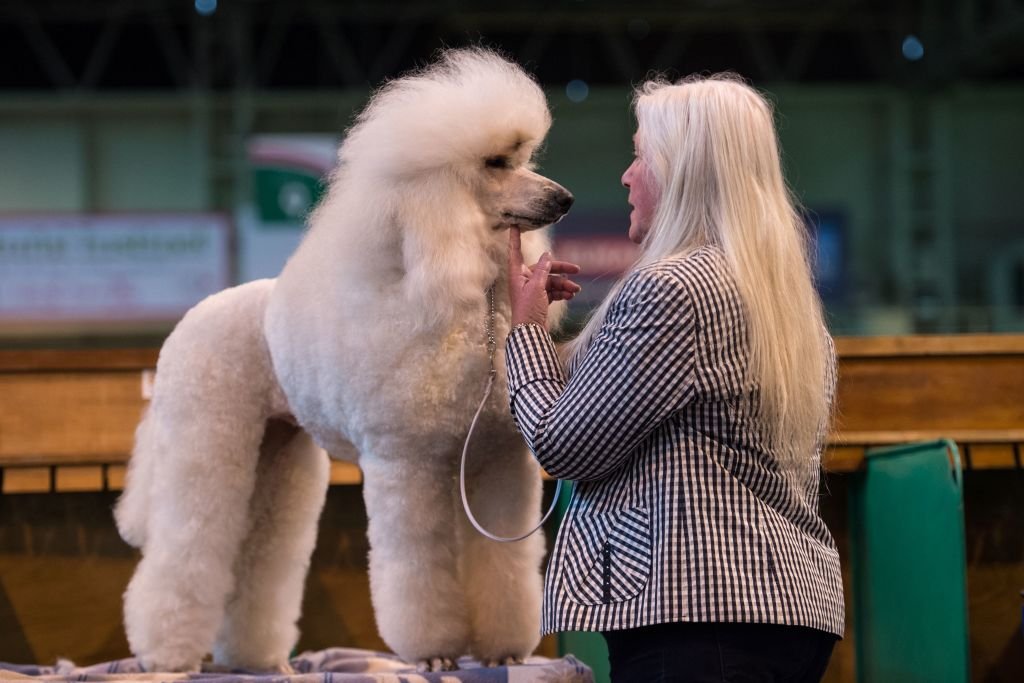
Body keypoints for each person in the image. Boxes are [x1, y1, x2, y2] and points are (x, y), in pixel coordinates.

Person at [505, 73, 843, 682]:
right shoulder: (782, 301)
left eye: (640, 155)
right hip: (788, 607)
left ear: (682, 170)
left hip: (697, 616)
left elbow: (564, 445)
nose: (626, 175)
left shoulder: (674, 288)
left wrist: (523, 331)